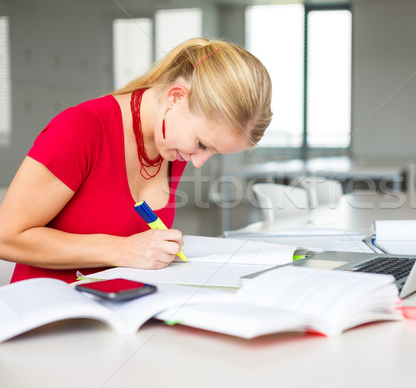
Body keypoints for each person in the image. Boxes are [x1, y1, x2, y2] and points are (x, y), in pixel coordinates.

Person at [0, 38, 272, 283]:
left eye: (213, 151)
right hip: (48, 321)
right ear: (176, 97)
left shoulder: (172, 142)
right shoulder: (81, 129)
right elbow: (6, 238)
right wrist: (123, 250)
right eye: (202, 144)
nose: (198, 162)